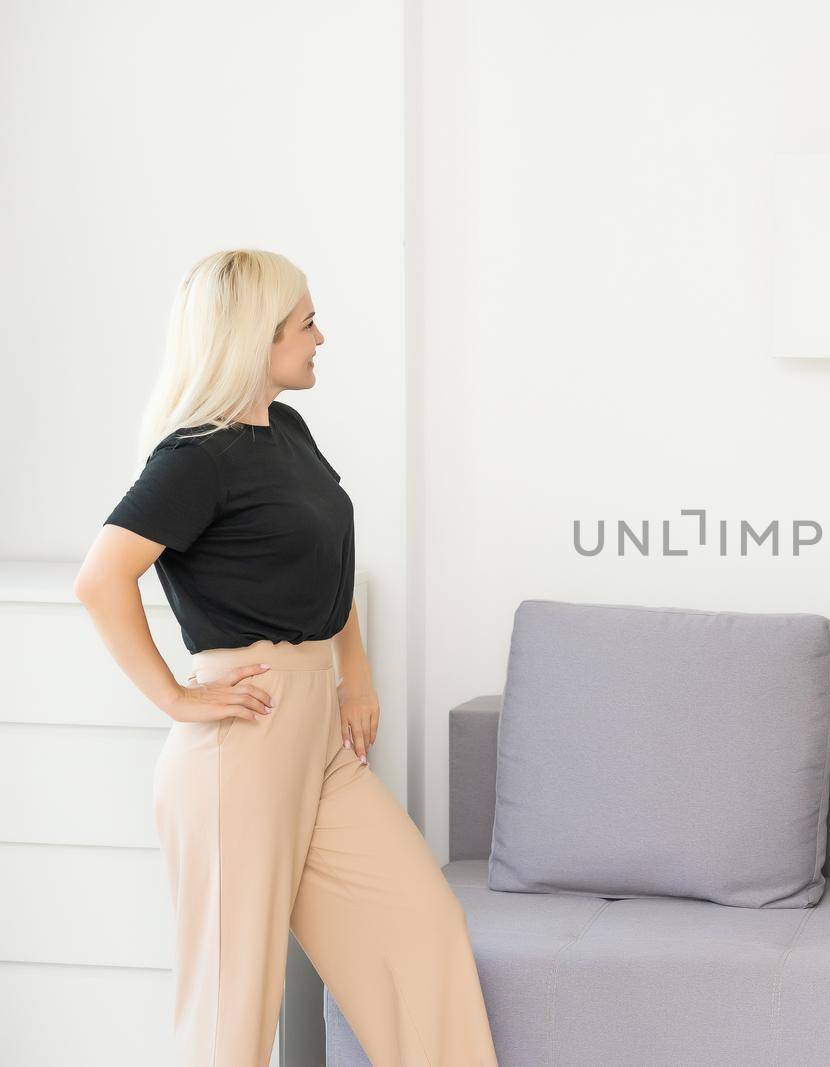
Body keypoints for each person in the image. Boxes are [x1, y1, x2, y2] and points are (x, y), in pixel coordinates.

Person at [72, 249, 499, 1065]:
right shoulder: (194, 458)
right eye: (306, 322)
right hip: (244, 742)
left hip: (320, 741)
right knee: (232, 1012)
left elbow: (328, 563)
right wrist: (173, 695)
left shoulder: (288, 432)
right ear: (252, 338)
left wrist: (356, 676)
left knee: (421, 931)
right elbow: (101, 579)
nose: (321, 336)